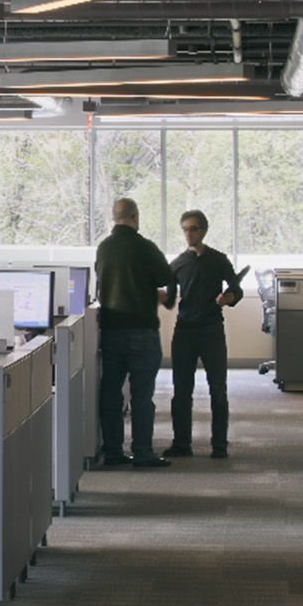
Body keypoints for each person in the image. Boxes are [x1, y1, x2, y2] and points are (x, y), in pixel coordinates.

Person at [95, 197, 175, 468]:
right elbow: (166, 276)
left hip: (111, 331)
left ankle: (113, 451)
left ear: (113, 218)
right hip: (141, 331)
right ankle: (142, 453)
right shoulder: (144, 247)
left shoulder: (103, 248)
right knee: (142, 396)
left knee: (111, 393)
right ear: (135, 218)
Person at [164, 210, 243, 459]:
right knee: (181, 391)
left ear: (204, 230)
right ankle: (181, 443)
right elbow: (168, 301)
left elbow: (236, 290)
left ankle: (219, 445)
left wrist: (229, 298)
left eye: (194, 228)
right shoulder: (177, 264)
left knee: (218, 389)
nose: (189, 233)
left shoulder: (219, 260)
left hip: (211, 331)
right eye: (185, 229)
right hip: (185, 331)